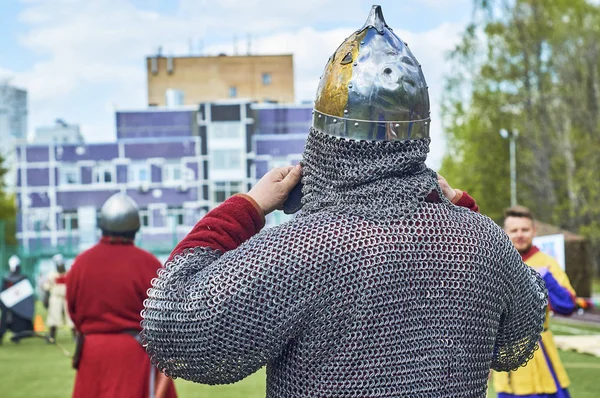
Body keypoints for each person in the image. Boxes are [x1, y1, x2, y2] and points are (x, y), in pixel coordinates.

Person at [142, 6, 548, 397]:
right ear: (418, 132)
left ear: (325, 135)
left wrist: (248, 206)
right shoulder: (481, 241)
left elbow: (174, 319)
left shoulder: (303, 246)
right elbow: (523, 323)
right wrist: (462, 207)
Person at [66, 193, 177, 398]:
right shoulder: (148, 263)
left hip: (93, 354)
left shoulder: (81, 263)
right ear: (135, 228)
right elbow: (164, 319)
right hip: (133, 356)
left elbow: (72, 311)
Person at [493, 205, 576, 398]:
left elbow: (568, 306)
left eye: (525, 229)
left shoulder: (548, 263)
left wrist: (546, 278)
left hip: (540, 355)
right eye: (514, 230)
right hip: (506, 358)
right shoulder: (496, 263)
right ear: (506, 232)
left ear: (534, 231)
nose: (520, 234)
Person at [0, 255, 35, 344]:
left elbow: (26, 292)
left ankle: (17, 336)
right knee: (5, 320)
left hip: (19, 305)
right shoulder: (7, 279)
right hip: (8, 304)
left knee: (19, 320)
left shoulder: (22, 278)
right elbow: (4, 293)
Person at [43, 254, 75, 342]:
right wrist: (45, 298)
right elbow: (47, 287)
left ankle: (75, 336)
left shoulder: (69, 274)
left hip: (67, 298)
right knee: (53, 317)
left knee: (71, 317)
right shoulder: (52, 275)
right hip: (55, 297)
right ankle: (51, 336)